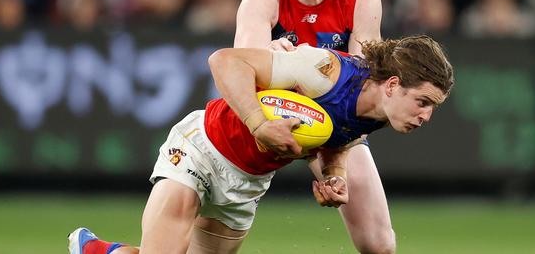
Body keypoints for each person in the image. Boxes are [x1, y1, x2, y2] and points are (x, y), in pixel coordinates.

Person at [68, 35, 454, 254]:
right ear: (391, 85)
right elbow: (224, 61)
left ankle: (98, 251)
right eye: (422, 102)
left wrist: (333, 174)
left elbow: (336, 140)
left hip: (246, 184)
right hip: (200, 150)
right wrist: (258, 124)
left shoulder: (381, 113)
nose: (425, 116)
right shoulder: (324, 70)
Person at [233, 0, 395, 253]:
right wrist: (269, 56)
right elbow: (242, 65)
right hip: (265, 116)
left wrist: (333, 164)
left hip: (331, 120)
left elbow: (362, 84)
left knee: (379, 244)